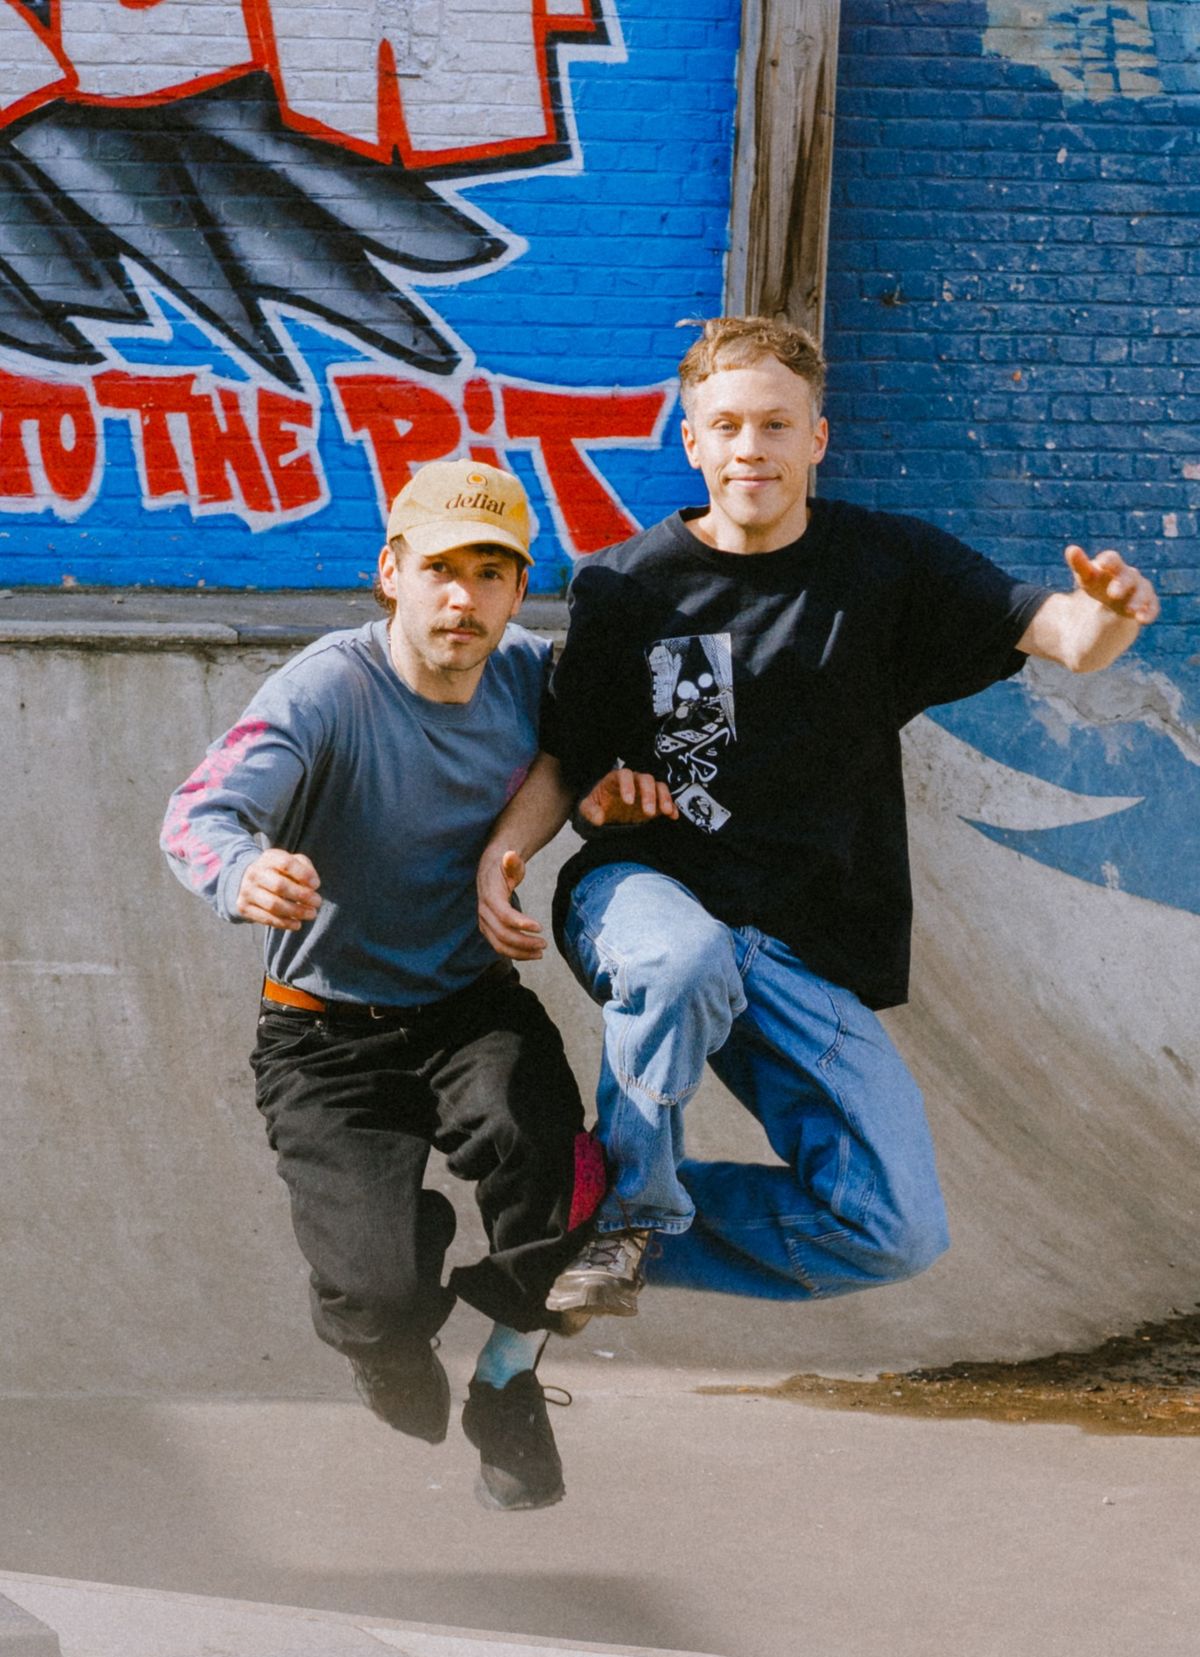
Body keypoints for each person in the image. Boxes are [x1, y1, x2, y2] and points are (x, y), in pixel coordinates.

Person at [476, 315, 1160, 1321]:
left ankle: (577, 1220)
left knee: (892, 1230)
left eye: (776, 425)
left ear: (817, 440)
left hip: (801, 941)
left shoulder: (887, 568)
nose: (752, 448)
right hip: (647, 897)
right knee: (684, 959)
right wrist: (509, 851)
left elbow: (1061, 633)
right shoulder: (629, 583)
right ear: (693, 441)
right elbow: (569, 755)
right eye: (730, 427)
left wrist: (1110, 615)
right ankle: (629, 1206)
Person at [161, 459, 657, 1510]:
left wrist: (609, 803)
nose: (462, 600)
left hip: (469, 1011)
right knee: (374, 1295)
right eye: (439, 570)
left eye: (490, 575)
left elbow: (581, 768)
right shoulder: (328, 688)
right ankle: (389, 1339)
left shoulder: (533, 677)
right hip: (323, 1035)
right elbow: (195, 814)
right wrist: (243, 870)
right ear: (390, 571)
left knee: (564, 1177)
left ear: (519, 592)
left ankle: (508, 1379)